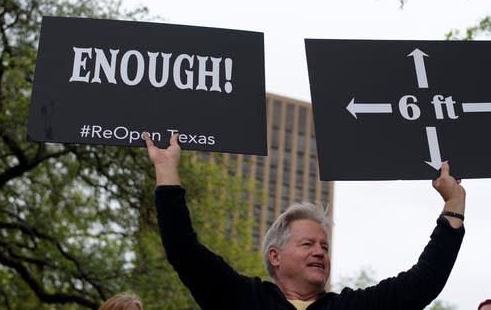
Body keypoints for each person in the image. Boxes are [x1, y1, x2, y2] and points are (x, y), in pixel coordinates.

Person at [146, 132, 466, 310]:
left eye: (324, 247)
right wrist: (166, 171)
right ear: (275, 255)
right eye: (308, 244)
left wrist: (453, 204)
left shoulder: (349, 309)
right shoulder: (242, 300)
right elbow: (183, 251)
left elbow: (421, 284)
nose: (320, 252)